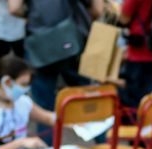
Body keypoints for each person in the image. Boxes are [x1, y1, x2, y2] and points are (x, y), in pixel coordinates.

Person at [9, 0, 102, 132]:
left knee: (45, 107)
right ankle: (104, 146)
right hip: (72, 42)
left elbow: (13, 8)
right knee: (86, 101)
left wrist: (33, 16)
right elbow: (98, 9)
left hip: (40, 46)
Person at [116, 0, 152, 109]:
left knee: (135, 101)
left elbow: (124, 18)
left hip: (139, 51)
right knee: (151, 100)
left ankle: (138, 124)